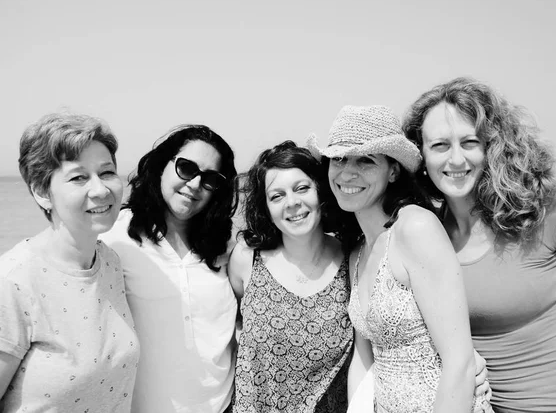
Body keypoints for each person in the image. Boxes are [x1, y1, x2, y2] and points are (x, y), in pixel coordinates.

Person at [403, 76, 556, 412]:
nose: (455, 160)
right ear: (420, 155)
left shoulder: (540, 212)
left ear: (492, 146)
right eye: (439, 145)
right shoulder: (426, 233)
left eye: (469, 142)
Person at [306, 105, 492, 412]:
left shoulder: (415, 228)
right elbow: (365, 361)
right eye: (339, 158)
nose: (348, 172)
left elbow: (459, 362)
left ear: (393, 171)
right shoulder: (357, 252)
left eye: (366, 160)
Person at [0, 113, 139, 412]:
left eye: (107, 173)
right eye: (78, 177)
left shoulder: (109, 263)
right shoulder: (13, 282)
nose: (101, 190)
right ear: (41, 192)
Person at [100, 124, 238, 413]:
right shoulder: (115, 236)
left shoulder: (224, 247)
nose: (195, 184)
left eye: (210, 178)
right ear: (162, 165)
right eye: (186, 168)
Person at [228, 141, 354, 412]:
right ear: (266, 208)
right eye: (277, 196)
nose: (293, 203)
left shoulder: (352, 258)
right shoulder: (247, 259)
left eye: (302, 188)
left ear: (320, 191)